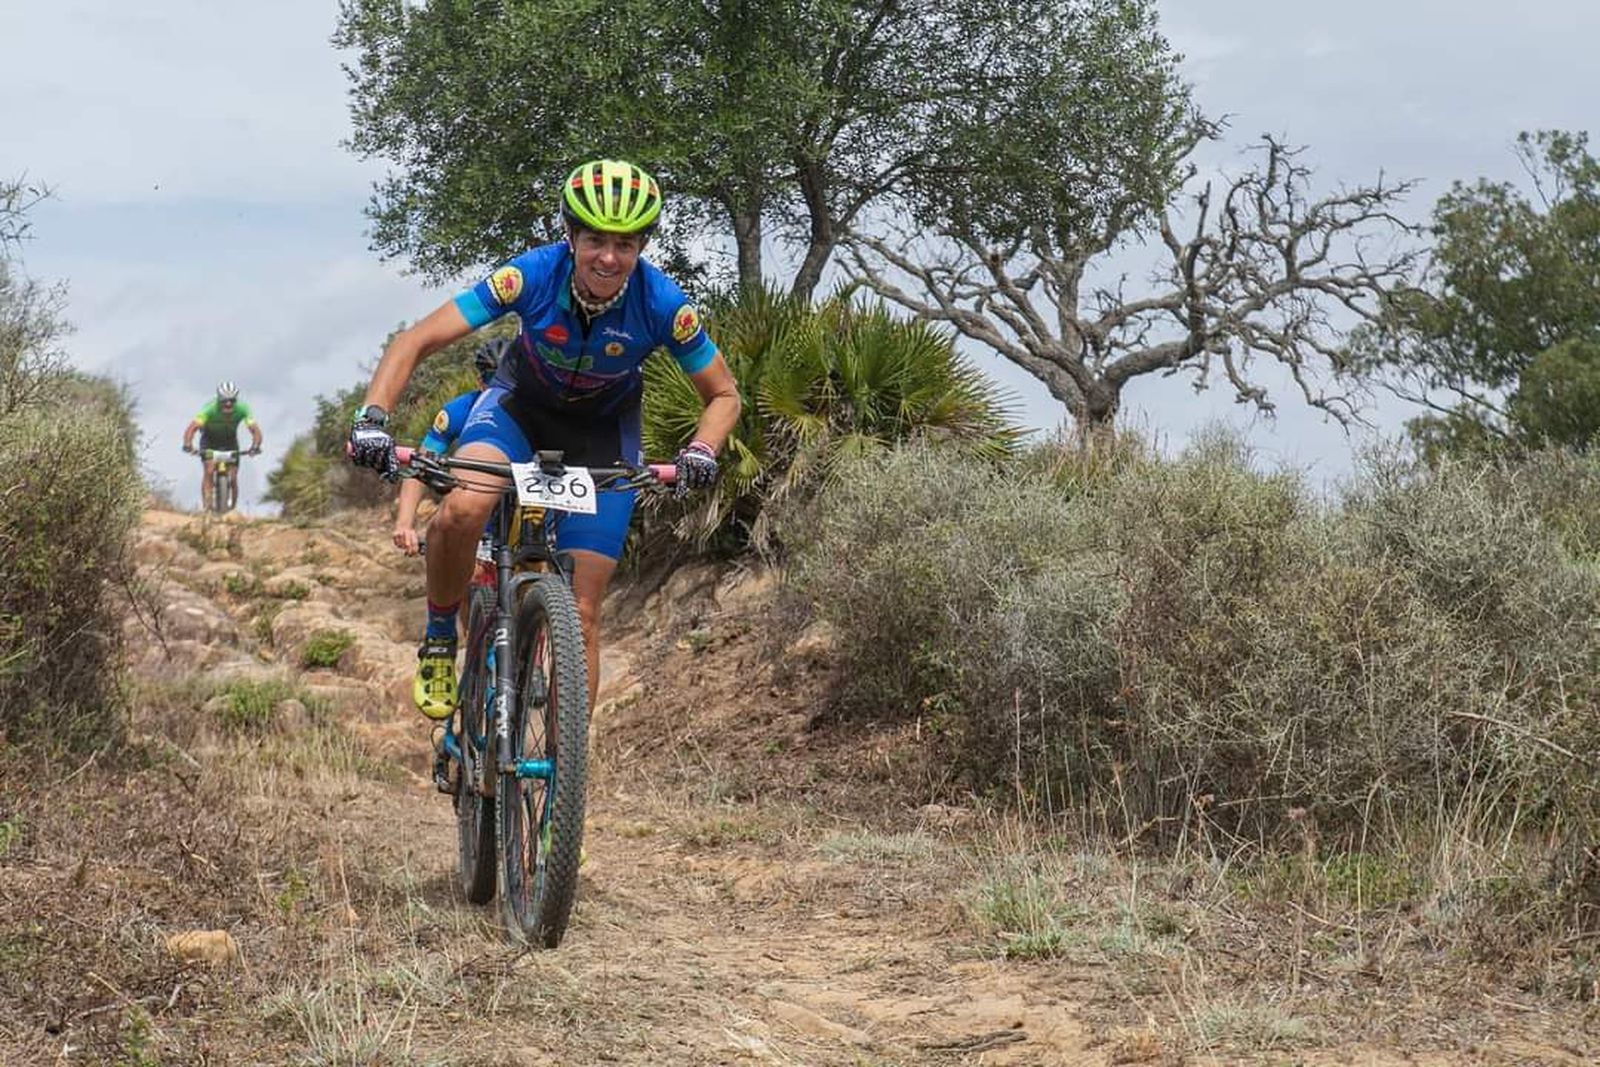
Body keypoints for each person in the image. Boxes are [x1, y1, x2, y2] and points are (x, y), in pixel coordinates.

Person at [348, 158, 741, 721]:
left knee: (583, 613)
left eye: (625, 245)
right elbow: (416, 340)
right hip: (518, 410)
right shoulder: (531, 275)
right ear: (570, 236)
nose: (609, 258)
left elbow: (724, 395)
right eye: (595, 240)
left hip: (603, 432)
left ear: (642, 247)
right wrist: (372, 418)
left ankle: (566, 763)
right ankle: (439, 637)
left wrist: (702, 450)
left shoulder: (662, 304)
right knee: (464, 509)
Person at [390, 338, 510, 556]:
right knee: (470, 567)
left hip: (534, 507)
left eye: (509, 381)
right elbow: (421, 465)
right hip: (483, 505)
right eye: (493, 383)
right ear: (480, 383)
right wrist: (405, 524)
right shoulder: (459, 411)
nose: (501, 392)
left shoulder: (542, 407)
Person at [182, 381, 263, 510]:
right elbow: (192, 428)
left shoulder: (243, 408)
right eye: (224, 401)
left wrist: (255, 446)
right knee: (209, 470)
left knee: (233, 477)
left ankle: (232, 509)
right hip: (209, 441)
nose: (228, 404)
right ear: (219, 399)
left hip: (230, 442)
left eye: (232, 401)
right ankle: (207, 508)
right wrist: (188, 444)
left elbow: (255, 429)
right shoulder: (209, 409)